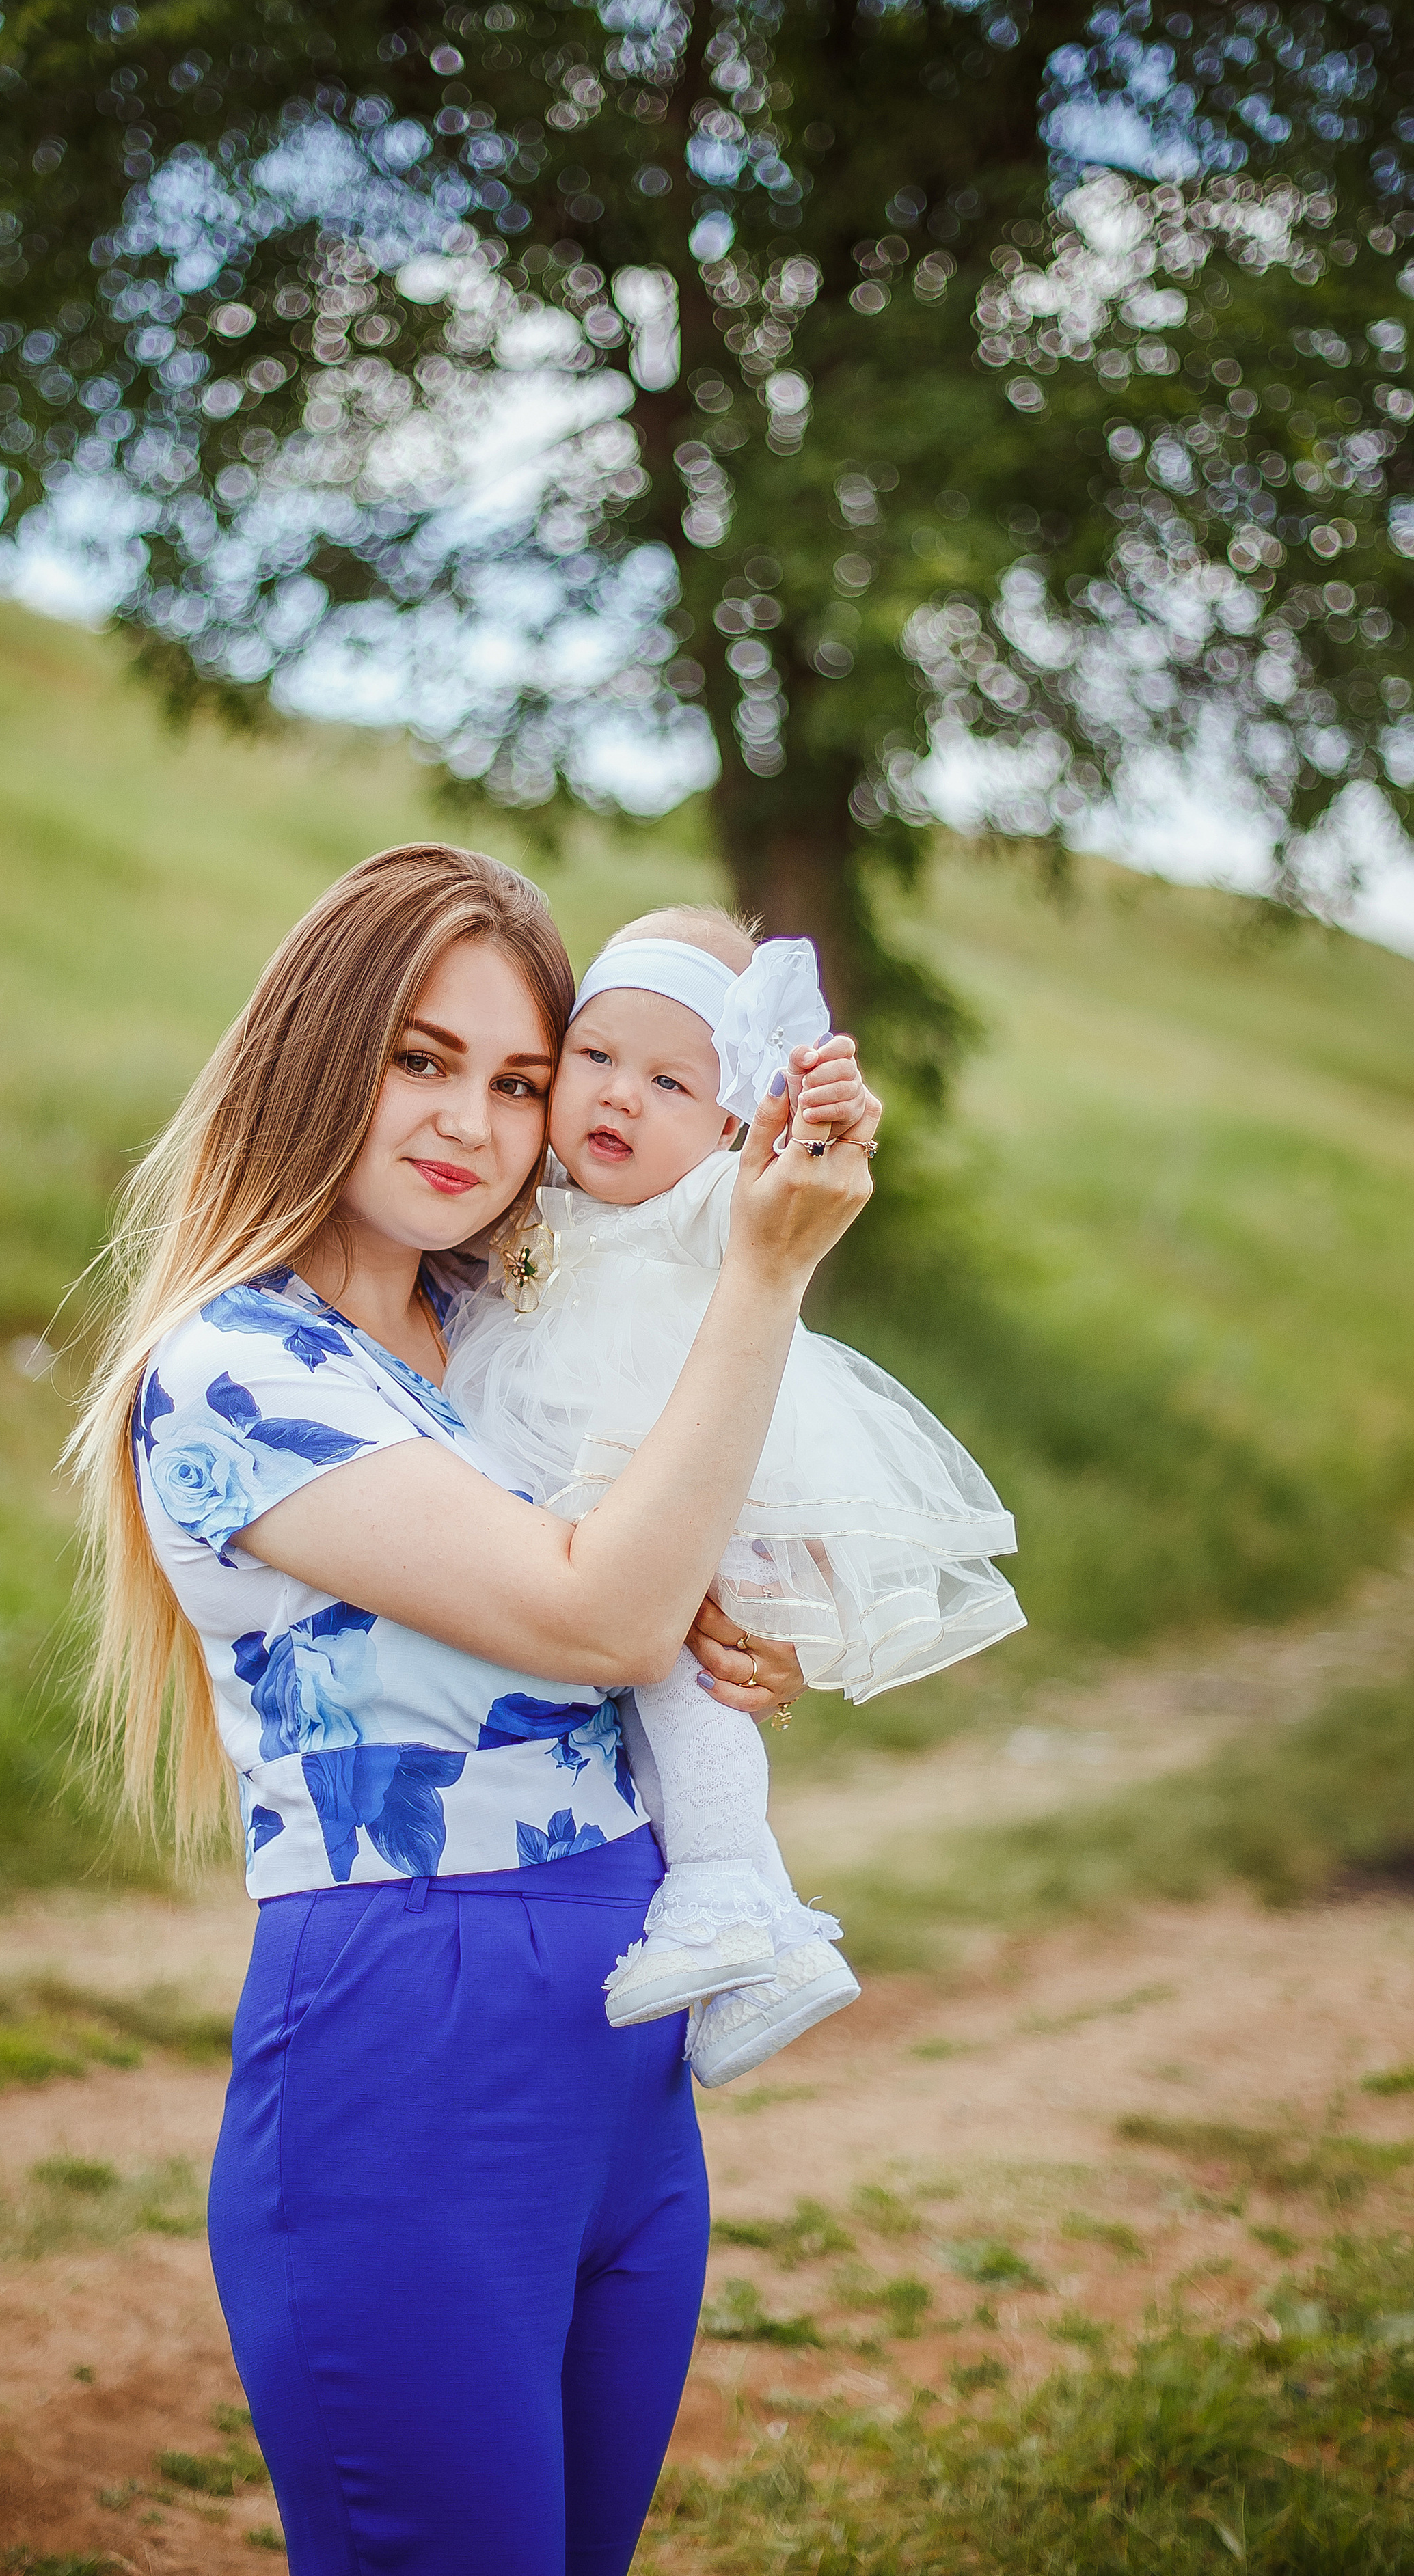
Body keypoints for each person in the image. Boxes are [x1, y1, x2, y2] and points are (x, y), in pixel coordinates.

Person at [68, 845, 875, 2576]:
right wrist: (762, 1277)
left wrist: (743, 1618)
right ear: (314, 1052)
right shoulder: (240, 1369)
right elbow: (595, 1612)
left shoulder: (502, 1328)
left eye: (519, 1079)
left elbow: (661, 1583)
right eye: (419, 1059)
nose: (474, 1123)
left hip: (621, 2063)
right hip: (405, 2060)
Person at [443, 903, 1026, 2088]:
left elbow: (787, 1186)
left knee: (686, 1668)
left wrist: (816, 1121)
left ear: (722, 1119)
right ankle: (770, 1934)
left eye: (670, 1081)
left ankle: (717, 1885)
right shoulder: (534, 1194)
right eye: (597, 1058)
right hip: (576, 1480)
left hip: (665, 1454)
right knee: (649, 1690)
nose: (618, 1098)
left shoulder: (707, 1200)